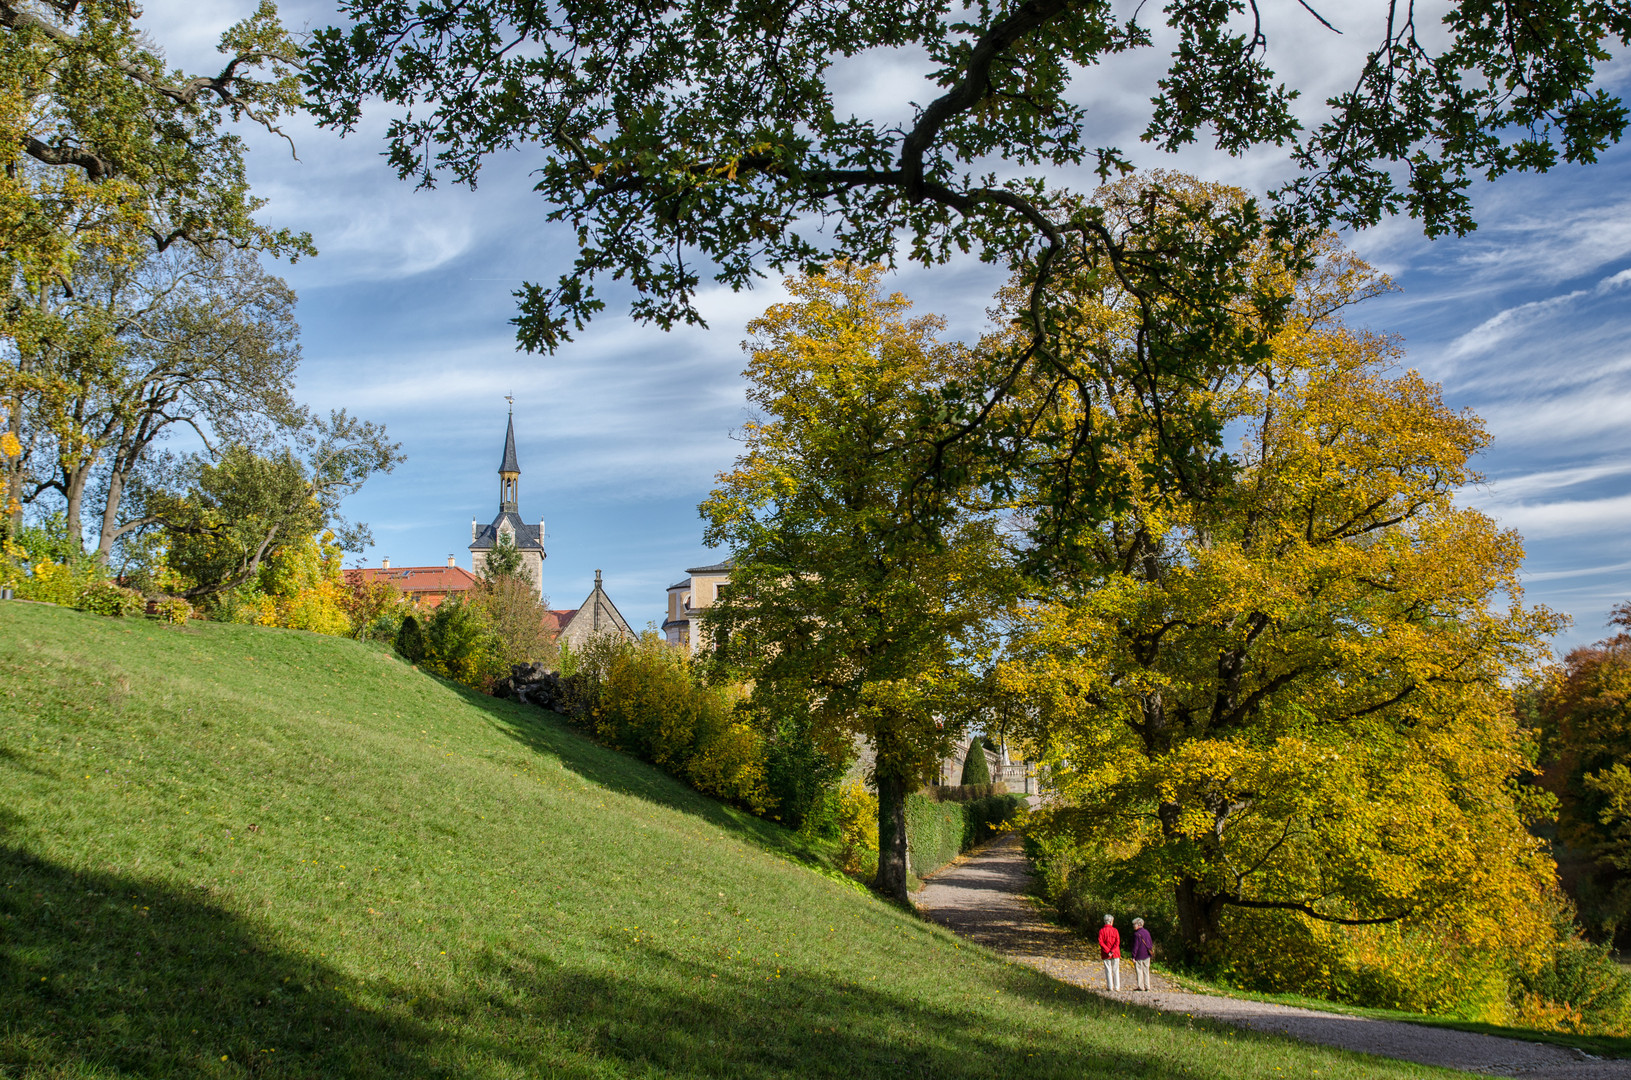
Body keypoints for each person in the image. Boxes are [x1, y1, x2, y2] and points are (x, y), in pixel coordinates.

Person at [1097, 913, 1121, 991]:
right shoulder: (1115, 930)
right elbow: (1117, 942)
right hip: (1115, 953)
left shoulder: (1101, 931)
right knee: (1116, 970)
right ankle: (1117, 987)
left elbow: (1101, 942)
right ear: (1111, 921)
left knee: (1108, 970)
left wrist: (1108, 951)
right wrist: (1112, 951)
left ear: (1105, 921)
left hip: (1105, 954)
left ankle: (1110, 986)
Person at [1130, 917, 1154, 991]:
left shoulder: (1136, 934)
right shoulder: (1147, 932)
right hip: (1147, 955)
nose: (1133, 926)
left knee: (1139, 971)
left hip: (1139, 955)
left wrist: (1133, 956)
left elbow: (1135, 946)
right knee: (1146, 971)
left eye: (1134, 924)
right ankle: (1147, 986)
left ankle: (1140, 986)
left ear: (1139, 924)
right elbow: (1150, 943)